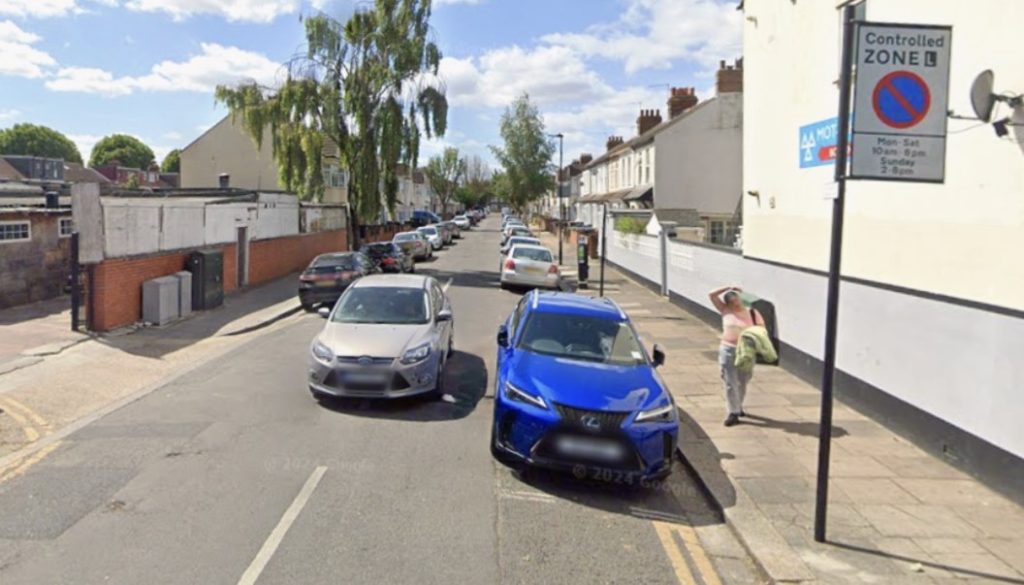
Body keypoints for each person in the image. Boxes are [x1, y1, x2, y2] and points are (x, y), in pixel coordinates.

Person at [709, 285, 764, 427]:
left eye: (737, 301)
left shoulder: (752, 312)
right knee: (729, 381)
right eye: (732, 302)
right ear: (727, 304)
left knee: (743, 380)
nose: (736, 304)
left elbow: (761, 330)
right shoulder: (725, 311)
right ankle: (733, 412)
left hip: (746, 351)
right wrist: (728, 287)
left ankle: (738, 405)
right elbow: (712, 295)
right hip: (728, 349)